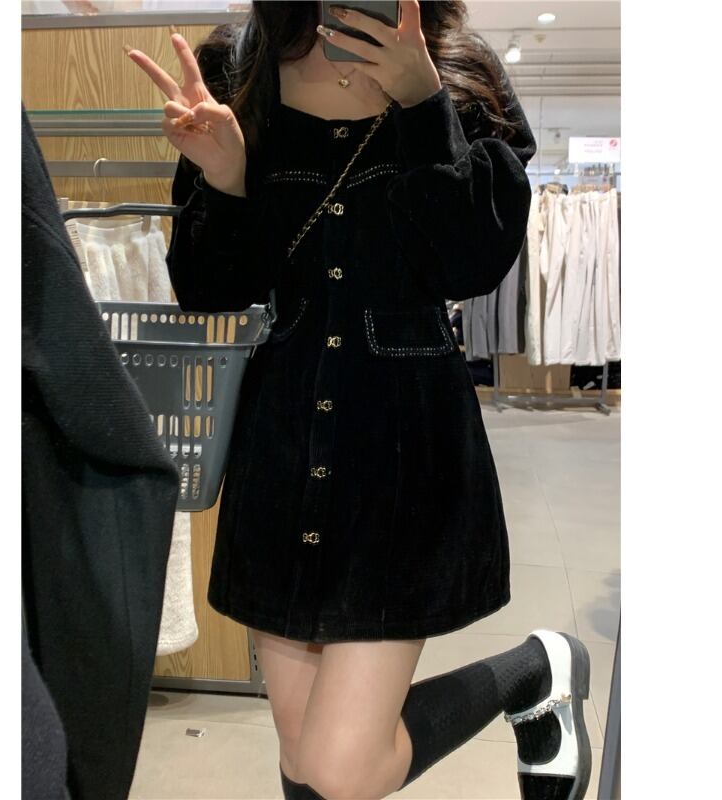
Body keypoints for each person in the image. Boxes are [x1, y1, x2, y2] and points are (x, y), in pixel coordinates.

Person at [126, 2, 592, 799]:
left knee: (340, 768)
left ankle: (534, 671)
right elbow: (210, 291)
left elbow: (474, 265)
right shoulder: (243, 69)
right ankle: (534, 674)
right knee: (303, 759)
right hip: (282, 448)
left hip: (404, 452)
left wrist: (422, 104)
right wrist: (227, 180)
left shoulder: (459, 72)